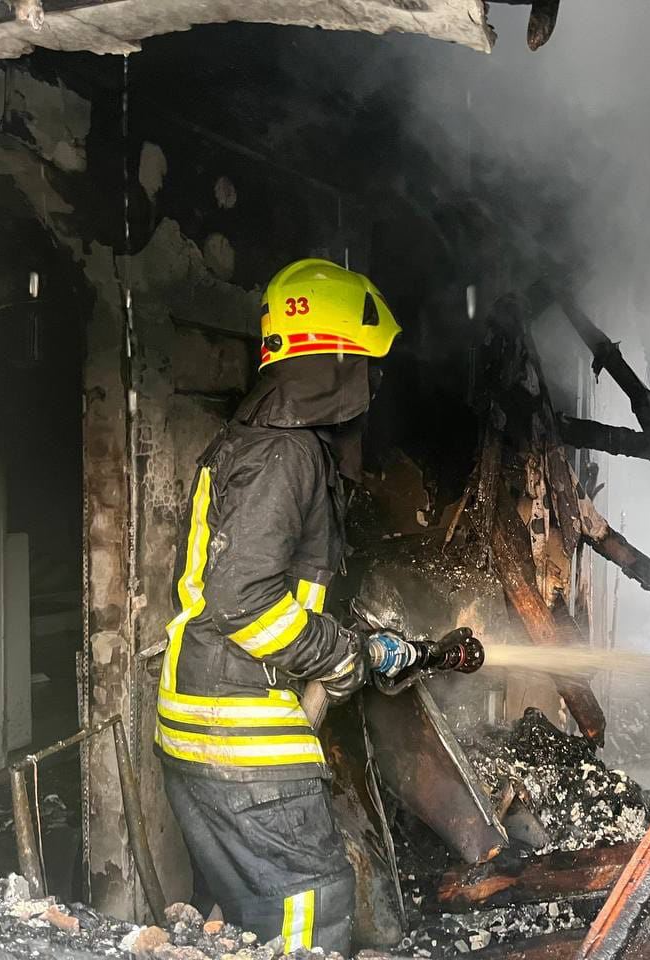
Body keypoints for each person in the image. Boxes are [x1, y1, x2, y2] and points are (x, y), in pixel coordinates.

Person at [154, 258, 420, 955]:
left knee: (250, 919)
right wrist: (338, 655)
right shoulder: (285, 453)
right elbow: (241, 600)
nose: (374, 386)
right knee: (310, 906)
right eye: (368, 367)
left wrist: (338, 639)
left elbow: (259, 583)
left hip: (207, 723)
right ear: (337, 366)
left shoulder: (255, 439)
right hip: (241, 734)